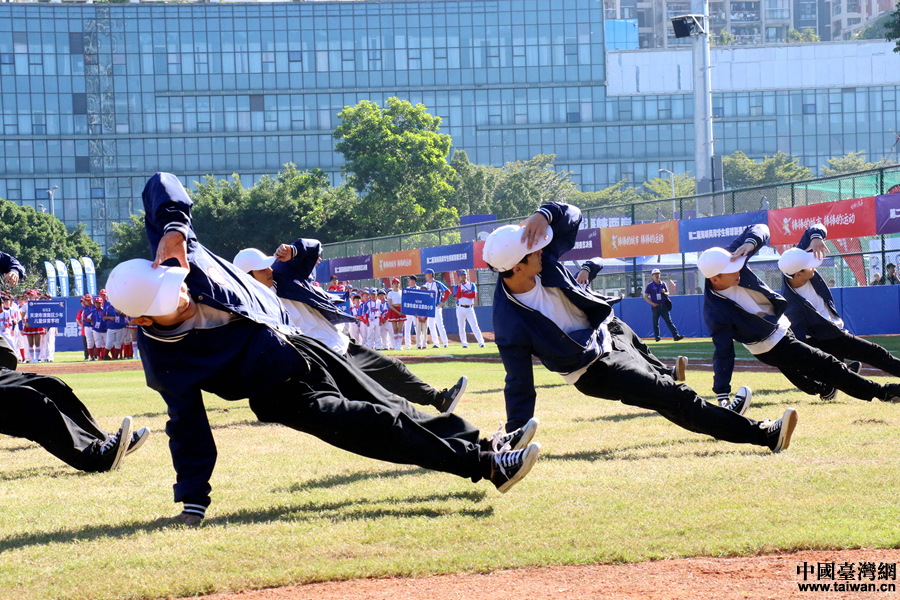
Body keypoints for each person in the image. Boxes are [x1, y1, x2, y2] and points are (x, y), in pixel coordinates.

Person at [107, 172, 541, 525]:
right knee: (375, 423)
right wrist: (193, 502)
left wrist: (174, 229)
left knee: (397, 407)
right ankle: (485, 466)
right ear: (143, 321)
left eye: (177, 287)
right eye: (169, 304)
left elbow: (160, 182)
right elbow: (188, 427)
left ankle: (487, 448)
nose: (182, 297)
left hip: (307, 348)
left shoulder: (183, 259)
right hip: (280, 393)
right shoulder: (165, 361)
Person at [483, 201, 797, 455]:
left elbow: (572, 216)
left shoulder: (540, 260)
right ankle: (765, 435)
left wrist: (545, 213)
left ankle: (725, 420)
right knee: (674, 396)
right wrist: (515, 433)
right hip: (595, 370)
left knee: (668, 390)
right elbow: (518, 383)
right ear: (516, 267)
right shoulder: (509, 321)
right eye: (534, 252)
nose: (542, 251)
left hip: (610, 333)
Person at [233, 243, 466, 413]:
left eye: (267, 264)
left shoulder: (283, 275)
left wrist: (294, 251)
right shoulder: (251, 308)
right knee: (378, 400)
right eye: (261, 268)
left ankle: (439, 400)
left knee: (392, 367)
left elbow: (314, 247)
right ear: (247, 277)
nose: (269, 269)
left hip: (340, 342)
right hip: (322, 360)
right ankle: (428, 427)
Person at [699, 224, 900, 405]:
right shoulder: (715, 312)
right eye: (732, 271)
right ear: (715, 279)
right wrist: (722, 394)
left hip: (782, 327)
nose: (738, 270)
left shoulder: (733, 257)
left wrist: (750, 244)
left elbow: (760, 228)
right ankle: (884, 393)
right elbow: (723, 353)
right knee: (826, 366)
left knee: (820, 368)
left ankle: (827, 386)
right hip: (770, 345)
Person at [778, 224, 900, 384]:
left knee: (844, 367)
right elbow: (800, 341)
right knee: (875, 353)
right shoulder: (792, 305)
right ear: (798, 274)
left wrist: (816, 237)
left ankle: (838, 372)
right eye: (810, 265)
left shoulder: (796, 260)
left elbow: (815, 226)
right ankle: (833, 377)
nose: (814, 265)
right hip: (827, 337)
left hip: (831, 331)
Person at [644, 269, 684, 342]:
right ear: (652, 276)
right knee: (655, 323)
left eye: (658, 274)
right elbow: (645, 296)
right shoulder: (650, 286)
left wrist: (664, 292)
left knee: (669, 321)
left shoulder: (663, 284)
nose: (656, 275)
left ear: (660, 275)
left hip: (663, 305)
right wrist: (652, 303)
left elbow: (668, 293)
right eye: (655, 274)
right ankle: (657, 338)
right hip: (655, 306)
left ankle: (676, 336)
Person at [453, 269, 485, 349]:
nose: (463, 276)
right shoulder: (457, 286)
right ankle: (464, 343)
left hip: (469, 308)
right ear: (459, 277)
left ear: (466, 276)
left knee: (474, 326)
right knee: (461, 327)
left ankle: (481, 342)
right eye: (461, 275)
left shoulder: (471, 284)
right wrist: (460, 287)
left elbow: (473, 295)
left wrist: (463, 294)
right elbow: (458, 296)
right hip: (460, 308)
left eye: (464, 275)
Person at [423, 269, 450, 348]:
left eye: (426, 274)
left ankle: (445, 343)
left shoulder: (437, 283)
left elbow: (447, 291)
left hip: (436, 307)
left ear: (431, 274)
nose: (425, 276)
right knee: (431, 326)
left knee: (440, 325)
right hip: (430, 308)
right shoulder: (426, 284)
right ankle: (436, 343)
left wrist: (442, 302)